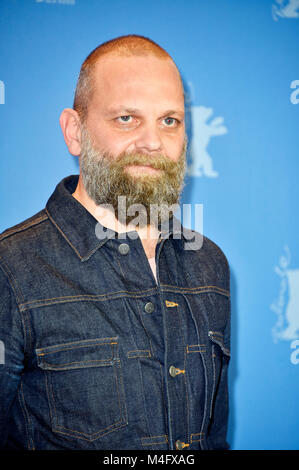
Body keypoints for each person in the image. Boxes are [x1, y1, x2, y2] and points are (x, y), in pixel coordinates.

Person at [0, 35, 231, 451]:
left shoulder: (209, 264)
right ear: (75, 132)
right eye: (127, 118)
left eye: (169, 120)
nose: (152, 142)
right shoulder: (10, 268)